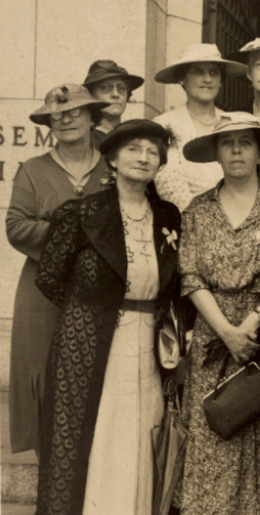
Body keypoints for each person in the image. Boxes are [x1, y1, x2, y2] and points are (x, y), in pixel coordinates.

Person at [34, 120, 181, 515]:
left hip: (148, 342)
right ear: (113, 158)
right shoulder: (82, 213)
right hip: (90, 340)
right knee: (96, 431)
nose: (144, 157)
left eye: (153, 152)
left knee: (142, 428)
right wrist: (90, 309)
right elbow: (50, 278)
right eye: (134, 148)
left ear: (160, 164)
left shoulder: (168, 216)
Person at [176, 113, 260, 515]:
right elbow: (190, 275)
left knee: (257, 439)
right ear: (216, 153)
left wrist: (249, 325)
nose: (236, 151)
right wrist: (226, 330)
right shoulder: (198, 210)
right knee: (214, 430)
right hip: (213, 337)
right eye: (227, 143)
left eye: (245, 142)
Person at [6, 84, 110, 455]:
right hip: (42, 292)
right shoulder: (33, 171)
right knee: (43, 375)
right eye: (58, 114)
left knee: (93, 380)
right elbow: (16, 227)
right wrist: (75, 231)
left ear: (92, 116)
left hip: (98, 294)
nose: (66, 119)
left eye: (75, 112)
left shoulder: (111, 168)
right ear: (49, 122)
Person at [153, 43, 248, 211]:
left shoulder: (234, 124)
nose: (208, 79)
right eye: (198, 72)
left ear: (221, 80)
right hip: (185, 223)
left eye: (214, 72)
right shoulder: (164, 125)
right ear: (183, 78)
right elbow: (170, 188)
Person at [83, 60, 145, 147]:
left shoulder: (135, 138)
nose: (116, 94)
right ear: (91, 95)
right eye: (106, 88)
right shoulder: (84, 140)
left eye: (121, 88)